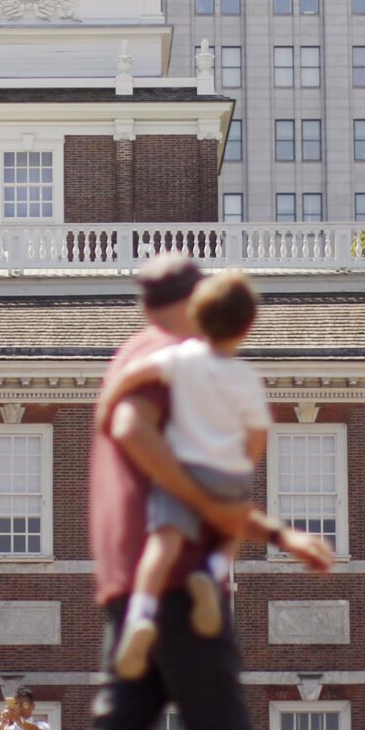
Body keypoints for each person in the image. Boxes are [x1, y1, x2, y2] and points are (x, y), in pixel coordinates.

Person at [12, 255, 336, 730]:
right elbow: (139, 431)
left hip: (130, 577)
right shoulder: (180, 360)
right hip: (183, 574)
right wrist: (220, 507)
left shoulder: (132, 356)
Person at [96, 271, 269, 679]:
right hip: (225, 473)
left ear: (197, 317)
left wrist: (107, 404)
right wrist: (244, 465)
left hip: (183, 470)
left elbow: (133, 376)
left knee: (162, 545)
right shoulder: (245, 377)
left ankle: (141, 614)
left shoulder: (183, 357)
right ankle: (211, 574)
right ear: (245, 329)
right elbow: (258, 432)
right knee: (228, 532)